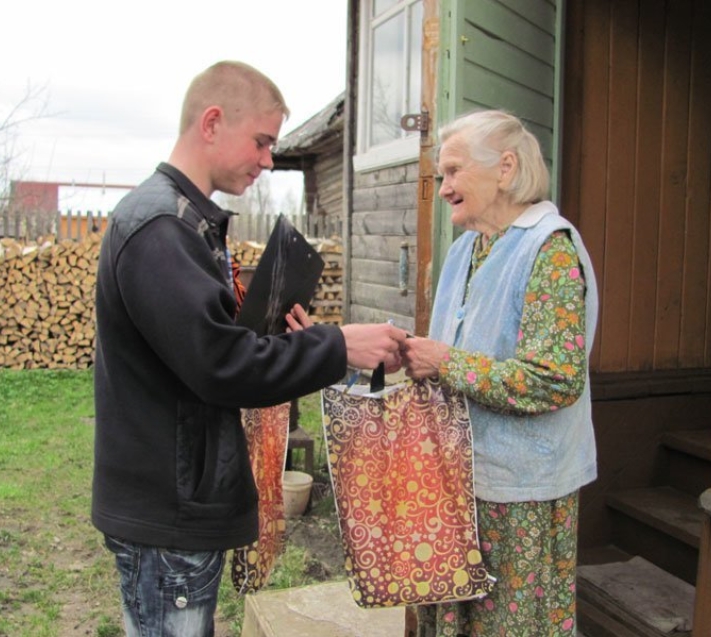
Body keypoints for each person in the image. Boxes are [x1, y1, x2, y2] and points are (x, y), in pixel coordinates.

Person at [92, 60, 406, 637]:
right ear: (212, 122)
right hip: (169, 511)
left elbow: (204, 349)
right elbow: (221, 366)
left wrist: (276, 337)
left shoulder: (184, 221)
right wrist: (337, 345)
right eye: (262, 142)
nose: (268, 160)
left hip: (179, 501)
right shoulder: (162, 227)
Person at [401, 110, 599, 637]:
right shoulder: (467, 247)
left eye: (453, 171)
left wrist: (444, 362)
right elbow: (456, 348)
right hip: (456, 478)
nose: (443, 189)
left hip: (519, 495)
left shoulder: (549, 251)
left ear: (505, 168)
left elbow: (556, 378)